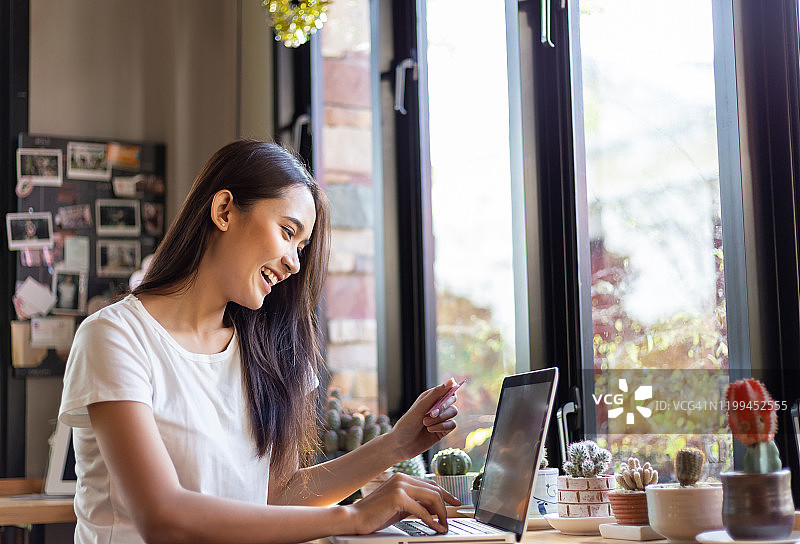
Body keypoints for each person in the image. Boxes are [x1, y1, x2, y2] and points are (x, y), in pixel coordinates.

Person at [59, 140, 460, 544]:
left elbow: (275, 496)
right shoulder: (116, 336)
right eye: (288, 232)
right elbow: (163, 518)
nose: (295, 262)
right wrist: (353, 516)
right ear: (224, 210)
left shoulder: (269, 352)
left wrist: (395, 445)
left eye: (302, 247)